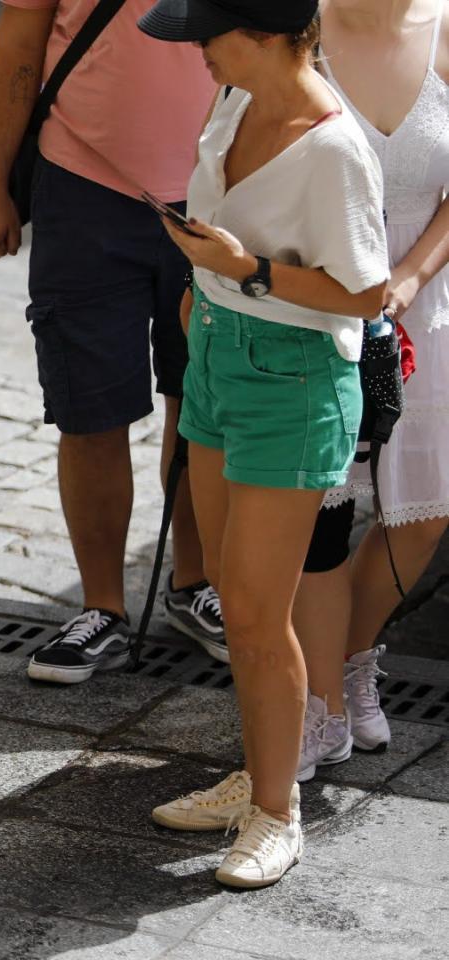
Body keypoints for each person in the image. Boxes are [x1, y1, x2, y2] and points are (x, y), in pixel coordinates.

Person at [138, 0, 389, 889]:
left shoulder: (334, 149)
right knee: (225, 594)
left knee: (252, 609)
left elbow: (367, 295)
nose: (197, 51)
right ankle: (264, 772)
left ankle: (278, 815)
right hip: (216, 351)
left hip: (294, 379)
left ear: (270, 31)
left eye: (210, 35)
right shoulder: (237, 102)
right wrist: (204, 290)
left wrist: (244, 270)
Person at [0, 0, 227, 685]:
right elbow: (21, 43)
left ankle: (195, 585)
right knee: (89, 410)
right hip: (81, 191)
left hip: (220, 192)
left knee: (204, 404)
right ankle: (102, 608)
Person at [292, 0, 449, 782]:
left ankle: (353, 662)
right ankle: (316, 702)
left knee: (425, 510)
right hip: (319, 297)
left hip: (428, 297)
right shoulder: (302, 26)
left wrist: (412, 276)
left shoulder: (447, 27)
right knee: (325, 510)